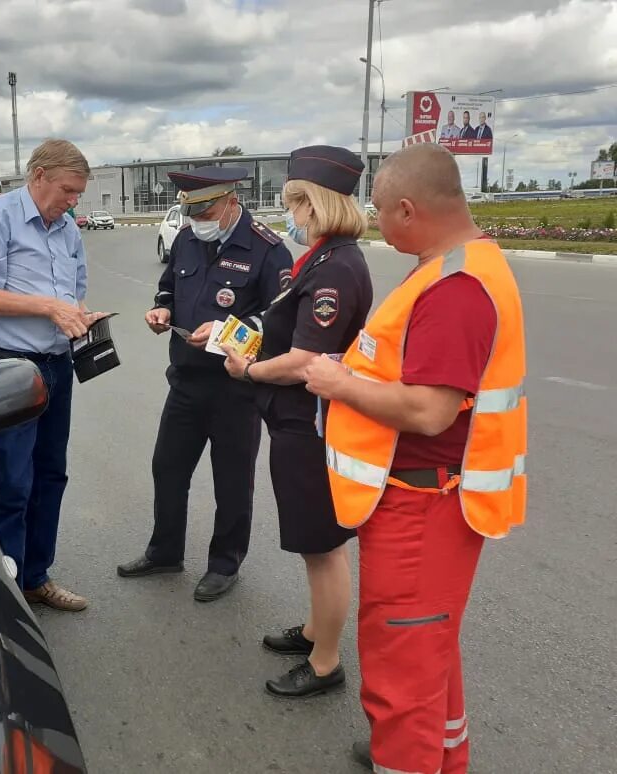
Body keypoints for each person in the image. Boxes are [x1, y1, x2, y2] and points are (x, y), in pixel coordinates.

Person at [303, 142, 527, 773]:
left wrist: (337, 383)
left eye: (378, 210)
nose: (373, 222)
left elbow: (430, 411)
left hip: (423, 507)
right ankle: (443, 754)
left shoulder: (455, 287)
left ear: (408, 208)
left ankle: (408, 757)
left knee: (401, 668)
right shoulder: (455, 264)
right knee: (428, 651)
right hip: (426, 497)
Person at [222, 146, 373, 698]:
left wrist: (250, 370)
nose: (290, 215)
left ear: (314, 204)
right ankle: (315, 631)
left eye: (294, 204)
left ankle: (327, 662)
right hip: (294, 421)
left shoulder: (338, 267)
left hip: (310, 424)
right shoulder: (324, 258)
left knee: (322, 545)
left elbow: (308, 358)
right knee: (313, 541)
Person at [117, 166, 293, 601]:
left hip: (237, 389)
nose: (199, 219)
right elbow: (167, 289)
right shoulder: (186, 240)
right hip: (186, 382)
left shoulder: (269, 251)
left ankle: (224, 563)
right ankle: (165, 552)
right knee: (168, 468)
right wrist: (161, 311)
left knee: (232, 482)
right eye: (191, 211)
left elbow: (282, 321)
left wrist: (228, 329)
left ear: (231, 202)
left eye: (207, 210)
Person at [0, 138, 108, 612]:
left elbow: (73, 294)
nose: (73, 202)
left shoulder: (66, 229)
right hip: (10, 366)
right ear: (38, 176)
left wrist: (81, 317)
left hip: (58, 364)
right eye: (68, 190)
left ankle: (36, 576)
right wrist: (48, 308)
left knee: (50, 474)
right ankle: (5, 591)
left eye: (79, 194)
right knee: (13, 481)